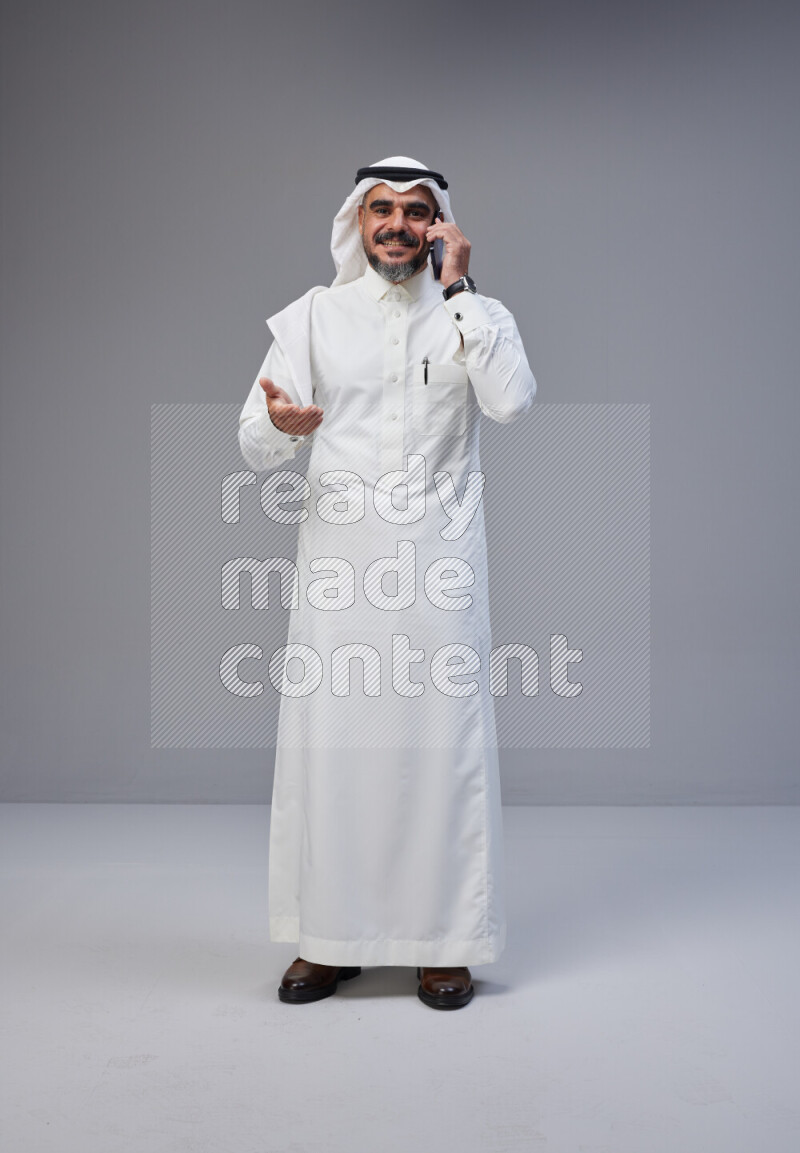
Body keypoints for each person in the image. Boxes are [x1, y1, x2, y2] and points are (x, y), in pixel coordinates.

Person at [238, 156, 536, 1010]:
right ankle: (330, 940)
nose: (397, 225)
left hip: (440, 569)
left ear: (438, 225)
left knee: (441, 752)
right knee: (334, 752)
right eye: (381, 209)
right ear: (358, 223)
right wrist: (283, 425)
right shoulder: (314, 318)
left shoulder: (476, 315)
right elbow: (253, 440)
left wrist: (461, 288)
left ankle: (444, 944)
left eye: (415, 211)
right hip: (339, 570)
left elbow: (512, 402)